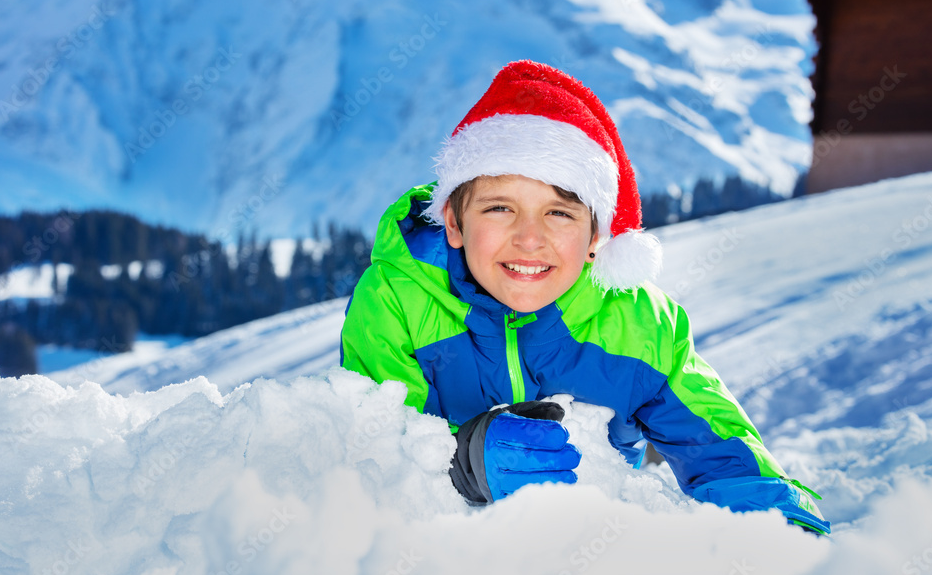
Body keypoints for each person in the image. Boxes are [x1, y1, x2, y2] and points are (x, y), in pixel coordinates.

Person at [339, 59, 830, 535]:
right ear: (453, 222)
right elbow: (369, 449)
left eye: (559, 213)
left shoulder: (638, 323)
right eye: (500, 208)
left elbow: (717, 446)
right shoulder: (395, 302)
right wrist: (465, 459)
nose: (529, 239)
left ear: (597, 235)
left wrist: (775, 526)